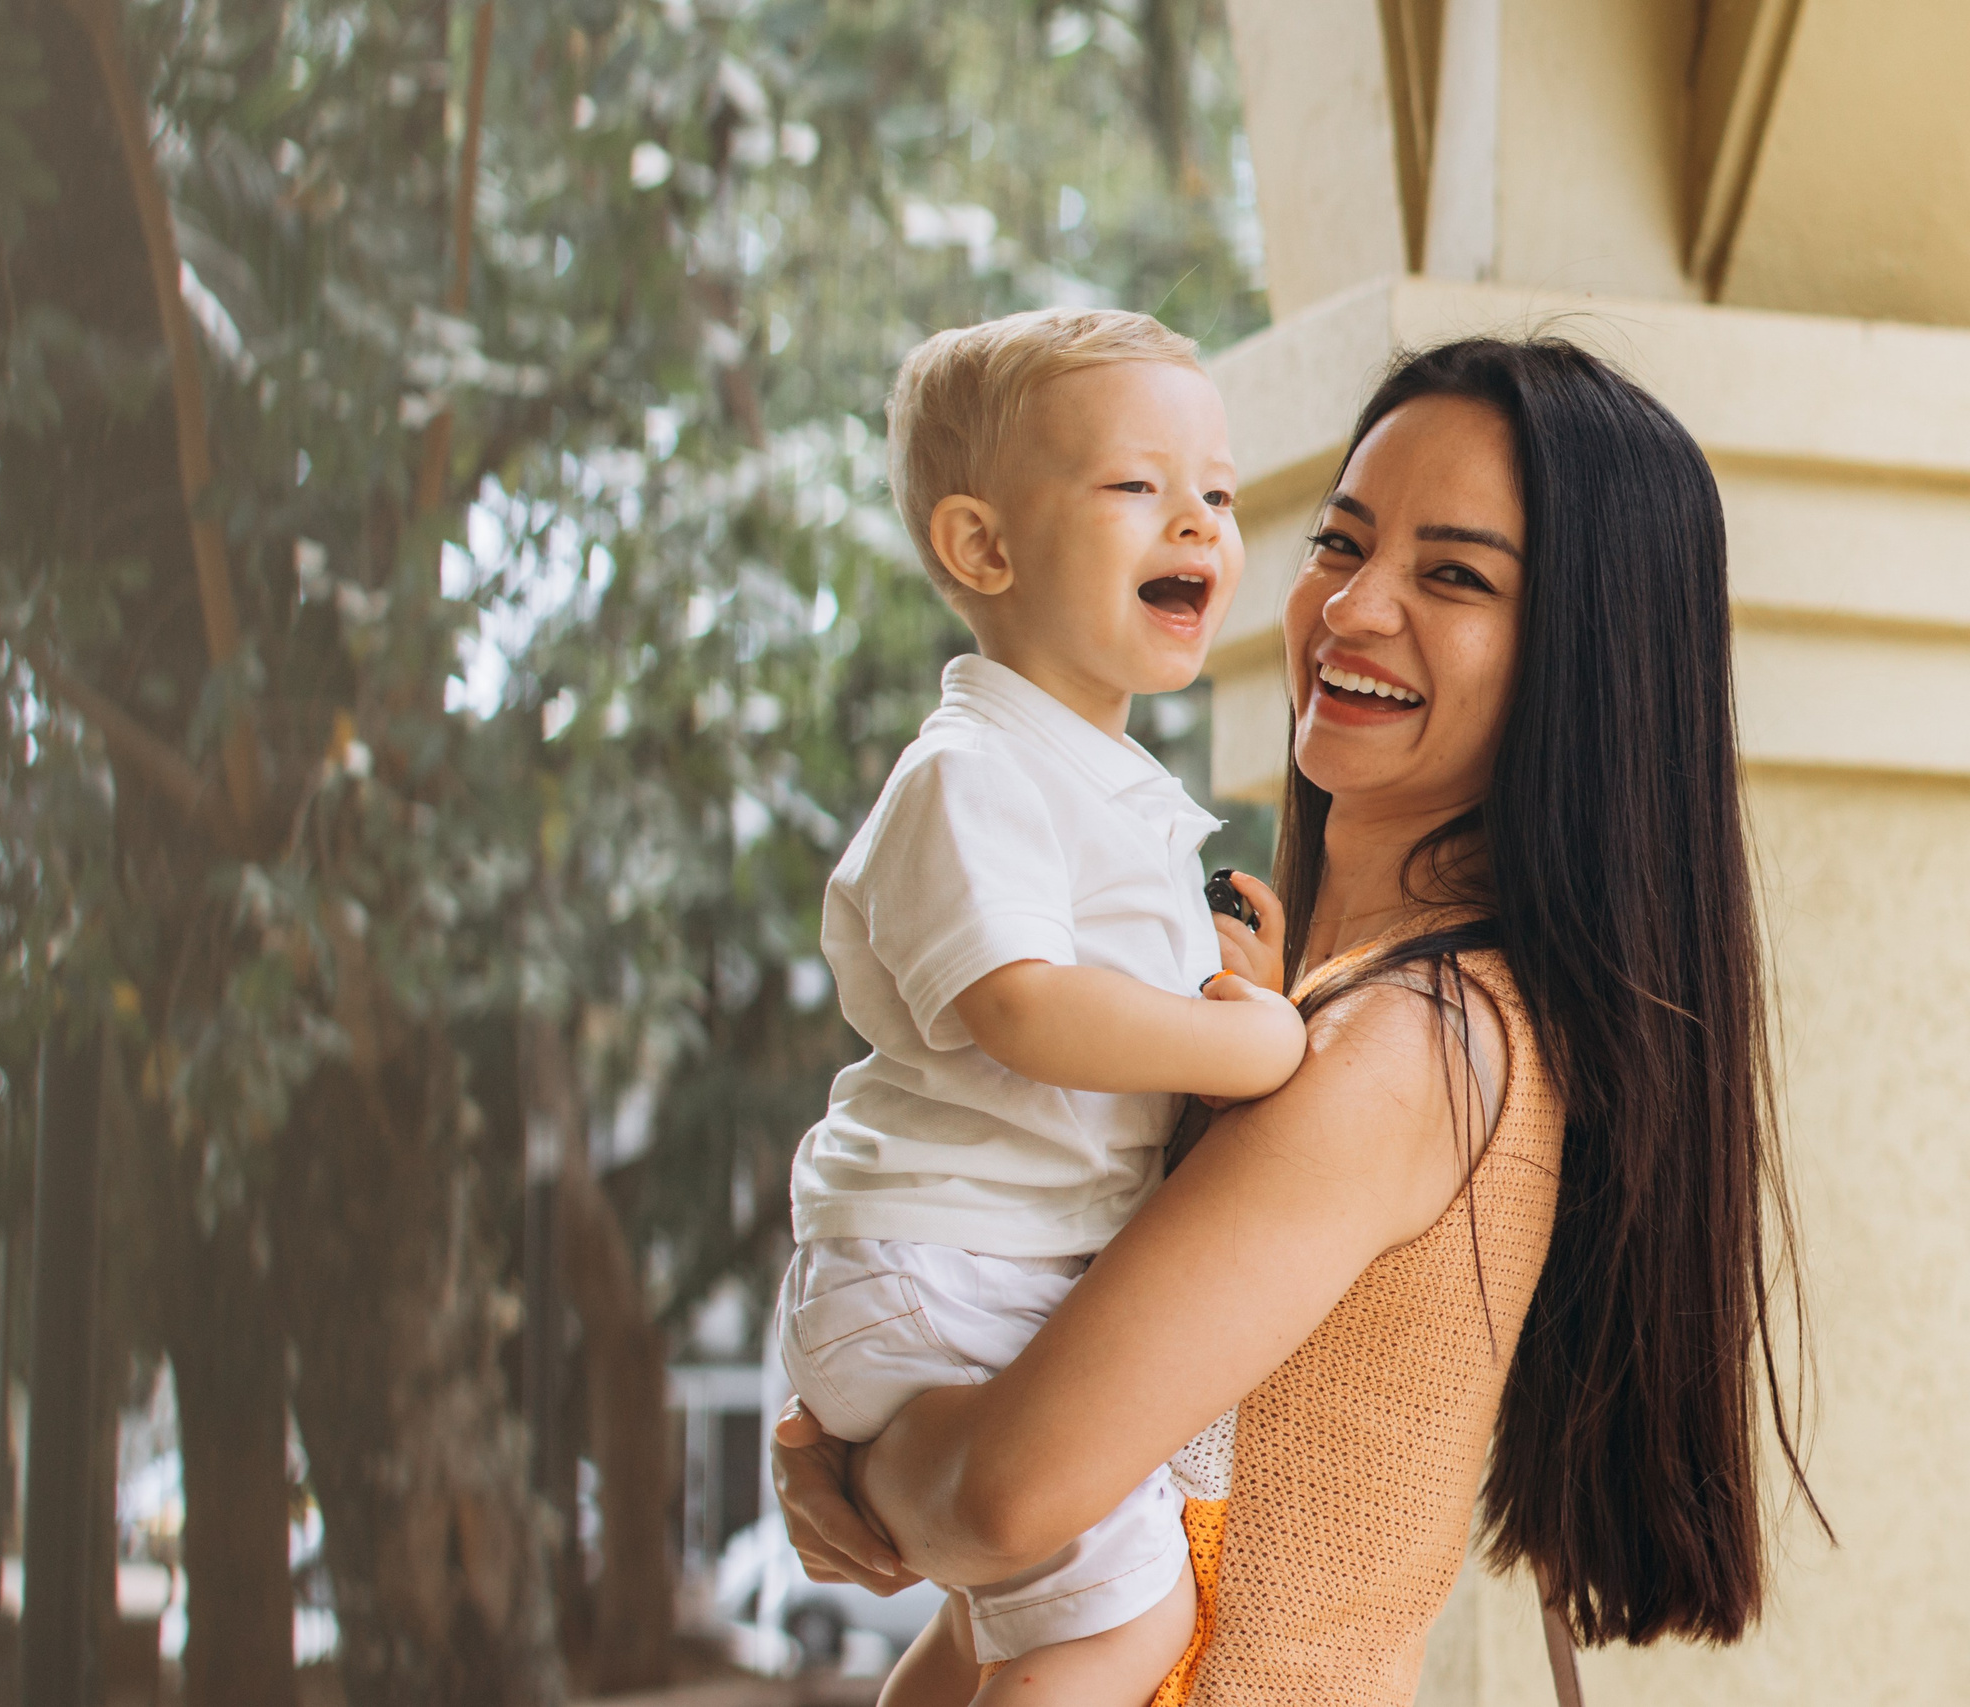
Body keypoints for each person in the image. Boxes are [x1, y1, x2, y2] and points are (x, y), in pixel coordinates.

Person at [771, 336, 1821, 1705]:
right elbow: (1043, 1566)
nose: (1350, 606)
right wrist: (898, 1468)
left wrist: (861, 1463)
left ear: (1590, 655)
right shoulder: (1315, 1007)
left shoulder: (1404, 1050)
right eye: (1341, 539)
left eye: (1453, 575)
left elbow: (1011, 1495)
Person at [775, 306, 1310, 1707]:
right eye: (1139, 487)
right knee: (1119, 1635)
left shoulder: (1087, 782)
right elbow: (1020, 1008)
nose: (1196, 522)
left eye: (1218, 492)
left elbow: (1097, 1031)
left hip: (965, 1266)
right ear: (982, 548)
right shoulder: (976, 769)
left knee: (989, 1640)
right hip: (953, 1264)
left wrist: (1221, 993)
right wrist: (1247, 1041)